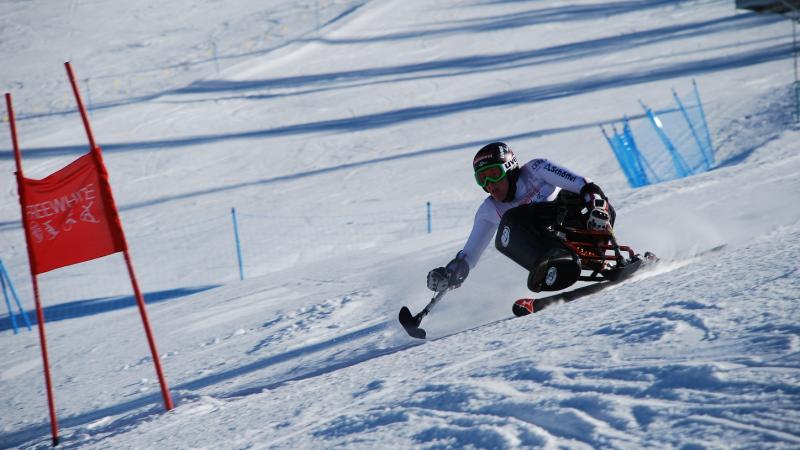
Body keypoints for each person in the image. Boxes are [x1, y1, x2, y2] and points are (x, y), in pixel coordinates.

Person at [426, 141, 614, 298]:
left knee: (525, 213)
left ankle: (592, 254)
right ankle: (553, 266)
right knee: (506, 231)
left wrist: (597, 207)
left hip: (586, 224)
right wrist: (450, 273)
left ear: (509, 168)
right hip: (550, 247)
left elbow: (583, 184)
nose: (489, 185)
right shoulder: (489, 209)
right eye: (482, 179)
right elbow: (469, 255)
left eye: (493, 175)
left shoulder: (536, 169)